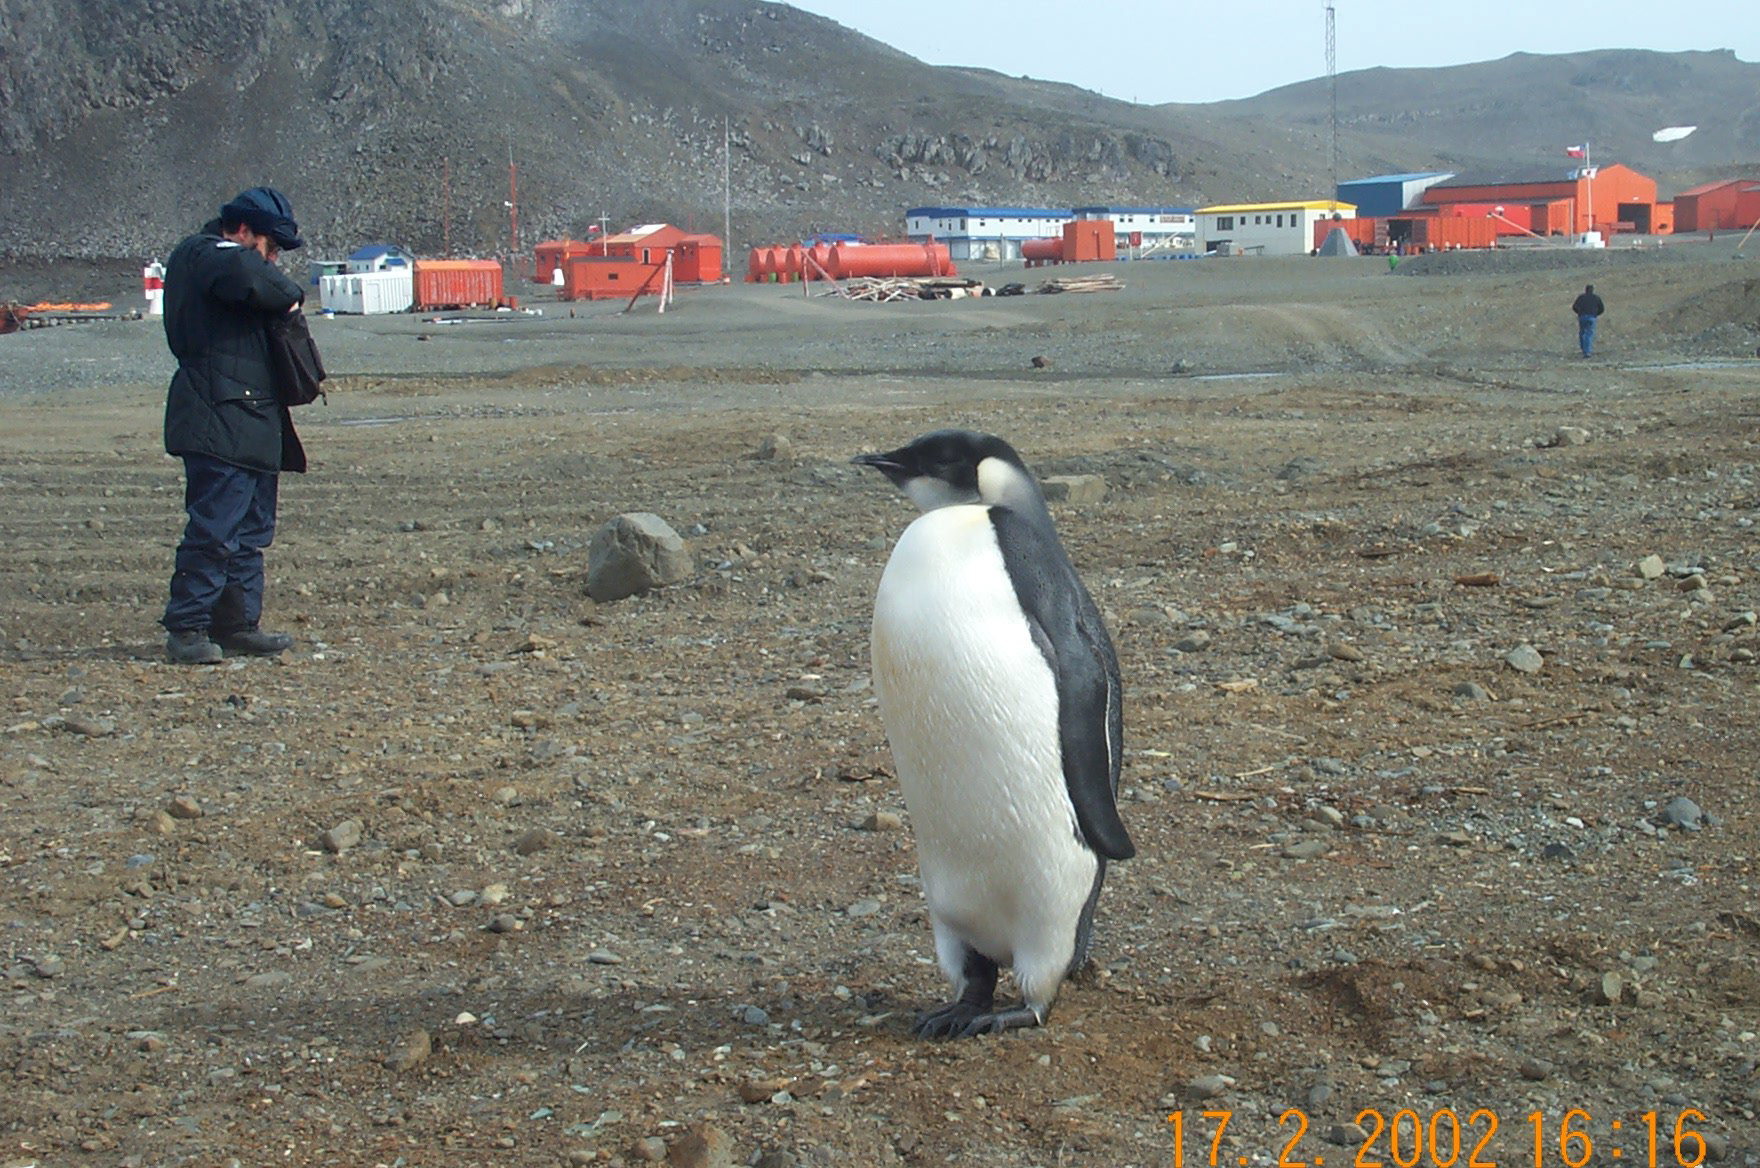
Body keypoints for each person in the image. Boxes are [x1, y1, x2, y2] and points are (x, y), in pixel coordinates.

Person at [160, 186, 309, 664]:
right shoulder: (204, 255)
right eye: (270, 246)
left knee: (249, 534)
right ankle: (187, 627)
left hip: (250, 418)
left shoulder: (224, 265)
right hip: (218, 417)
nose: (273, 260)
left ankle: (237, 625)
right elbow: (255, 277)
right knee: (215, 531)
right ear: (242, 230)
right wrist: (287, 296)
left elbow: (259, 280)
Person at [1571, 283, 1605, 358]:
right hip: (1592, 317)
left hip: (1582, 317)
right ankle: (1587, 352)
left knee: (1582, 332)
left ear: (1585, 290)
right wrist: (1595, 314)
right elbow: (1602, 309)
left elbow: (1574, 307)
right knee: (1589, 334)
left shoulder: (1581, 297)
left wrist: (1579, 313)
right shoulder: (1596, 298)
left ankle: (1583, 348)